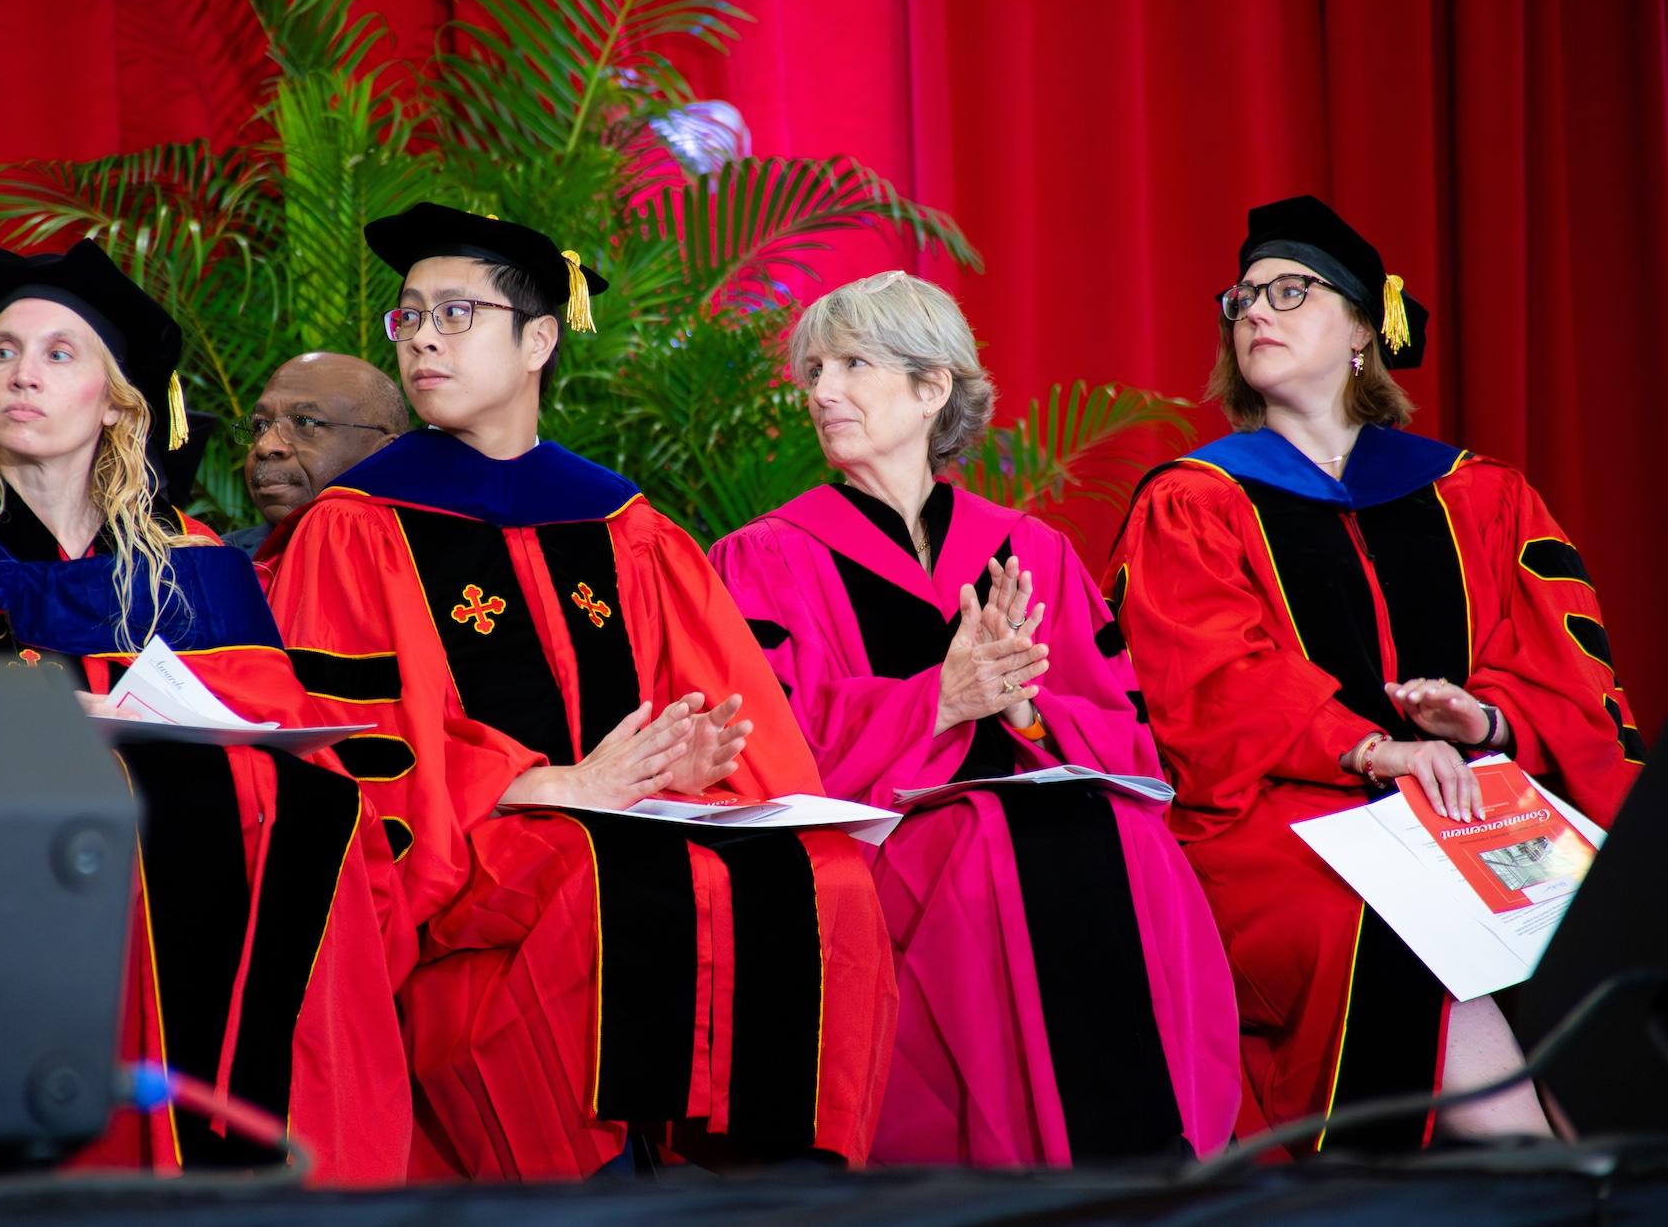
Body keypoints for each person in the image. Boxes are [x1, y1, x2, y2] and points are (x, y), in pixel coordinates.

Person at [262, 203, 896, 1179]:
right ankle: (600, 1180)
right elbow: (350, 744)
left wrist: (693, 758)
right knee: (604, 881)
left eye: (456, 313)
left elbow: (725, 709)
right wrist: (538, 782)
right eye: (408, 314)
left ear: (538, 340)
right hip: (473, 855)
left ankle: (781, 1186)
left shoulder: (623, 523)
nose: (423, 335)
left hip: (623, 825)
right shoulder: (355, 527)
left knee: (828, 879)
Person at [0, 240, 414, 1185]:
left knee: (310, 812)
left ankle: (246, 1160)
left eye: (60, 354)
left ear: (116, 396)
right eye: (3, 352)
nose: (23, 375)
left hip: (186, 910)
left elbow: (282, 733)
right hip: (11, 924)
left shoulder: (196, 564)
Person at [1106, 195, 1644, 1152]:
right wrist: (1368, 745)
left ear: (1363, 327)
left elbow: (1569, 675)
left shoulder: (1482, 493)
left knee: (1602, 914)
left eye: (1288, 290)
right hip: (1282, 820)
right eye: (1242, 300)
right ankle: (1551, 1168)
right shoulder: (1195, 501)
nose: (1255, 313)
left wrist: (1484, 724)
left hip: (1475, 800)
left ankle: (1602, 1166)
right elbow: (1210, 681)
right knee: (1383, 921)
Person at [709, 271, 1237, 1167]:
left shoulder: (1033, 550)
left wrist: (1030, 710)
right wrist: (939, 699)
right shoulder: (767, 556)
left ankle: (1153, 1161)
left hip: (1041, 818)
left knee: (1121, 838)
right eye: (814, 371)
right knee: (987, 842)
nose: (822, 391)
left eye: (851, 365)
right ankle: (1017, 1172)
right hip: (886, 838)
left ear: (931, 388)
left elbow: (1127, 735)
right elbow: (767, 743)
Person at [221, 352, 404, 557]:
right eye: (260, 425)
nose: (265, 445)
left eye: (305, 422)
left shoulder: (424, 571)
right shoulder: (213, 565)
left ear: (384, 455)